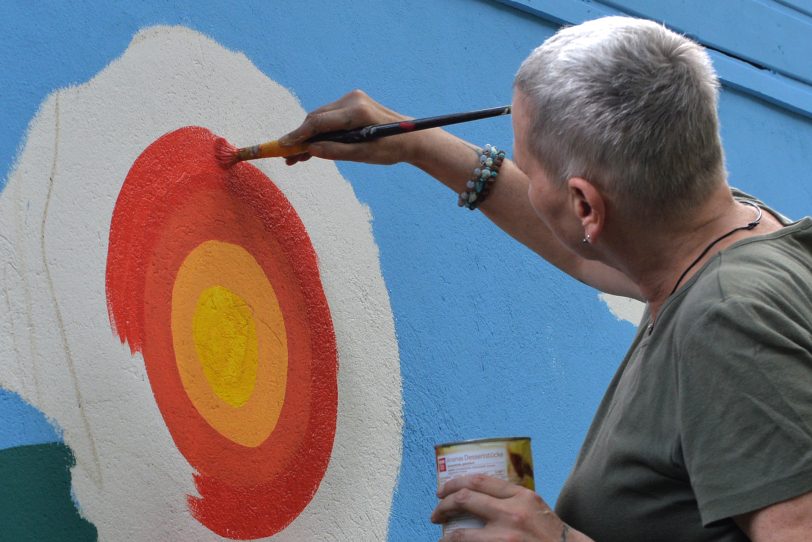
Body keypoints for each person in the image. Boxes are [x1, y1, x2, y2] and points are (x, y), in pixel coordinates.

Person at [280, 16, 812, 542]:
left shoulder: (730, 321)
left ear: (584, 203)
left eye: (531, 174)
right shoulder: (730, 232)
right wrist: (417, 144)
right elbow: (589, 252)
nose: (529, 184)